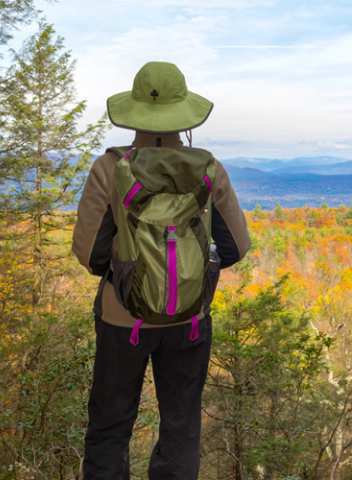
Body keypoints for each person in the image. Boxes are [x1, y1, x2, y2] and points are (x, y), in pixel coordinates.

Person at [72, 61, 250, 480]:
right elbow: (234, 247)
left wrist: (133, 270)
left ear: (134, 110)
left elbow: (90, 255)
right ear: (182, 113)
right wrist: (185, 276)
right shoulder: (208, 169)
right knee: (180, 426)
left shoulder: (109, 168)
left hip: (122, 321)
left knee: (110, 426)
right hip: (189, 322)